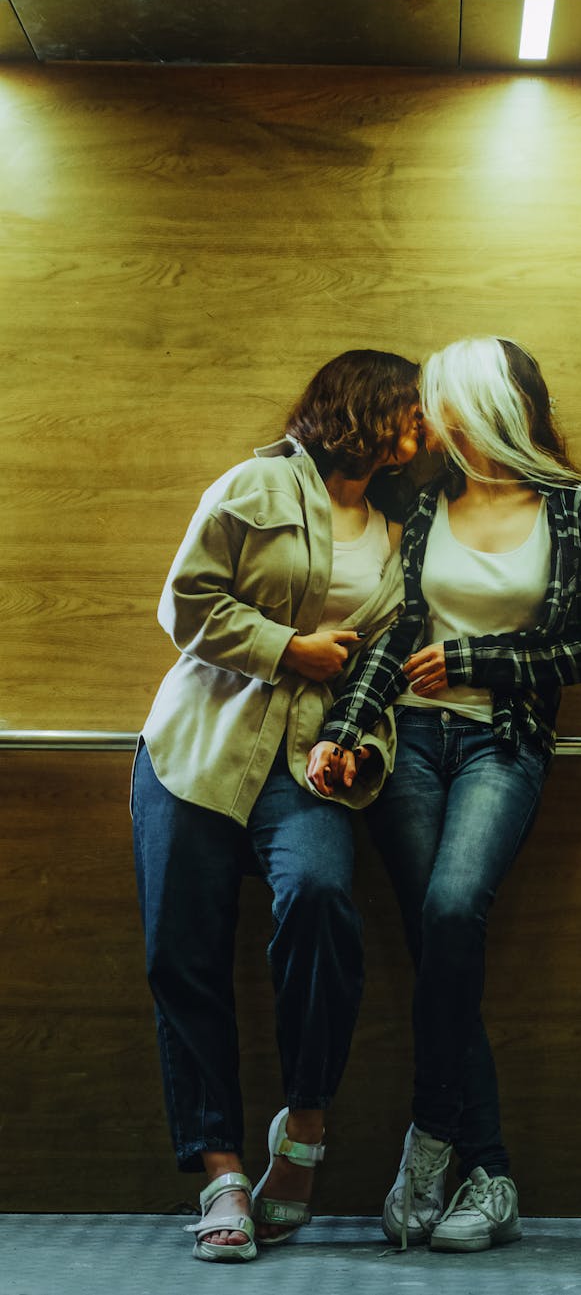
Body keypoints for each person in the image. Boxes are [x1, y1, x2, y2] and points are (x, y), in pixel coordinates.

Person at [307, 336, 581, 1253]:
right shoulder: (421, 498)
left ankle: (433, 1141)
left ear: (485, 405)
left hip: (503, 740)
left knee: (451, 914)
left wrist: (480, 660)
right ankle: (491, 1176)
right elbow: (398, 631)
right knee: (441, 949)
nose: (428, 421)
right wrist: (347, 729)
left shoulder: (571, 507)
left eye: (441, 402)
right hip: (407, 739)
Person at [132, 349, 422, 1262]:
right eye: (410, 408)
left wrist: (358, 750)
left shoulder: (394, 535)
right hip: (197, 754)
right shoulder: (256, 482)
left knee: (323, 903)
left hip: (304, 770)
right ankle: (221, 1172)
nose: (422, 427)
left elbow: (380, 678)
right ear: (363, 406)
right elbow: (183, 602)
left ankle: (301, 1135)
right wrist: (287, 648)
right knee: (184, 953)